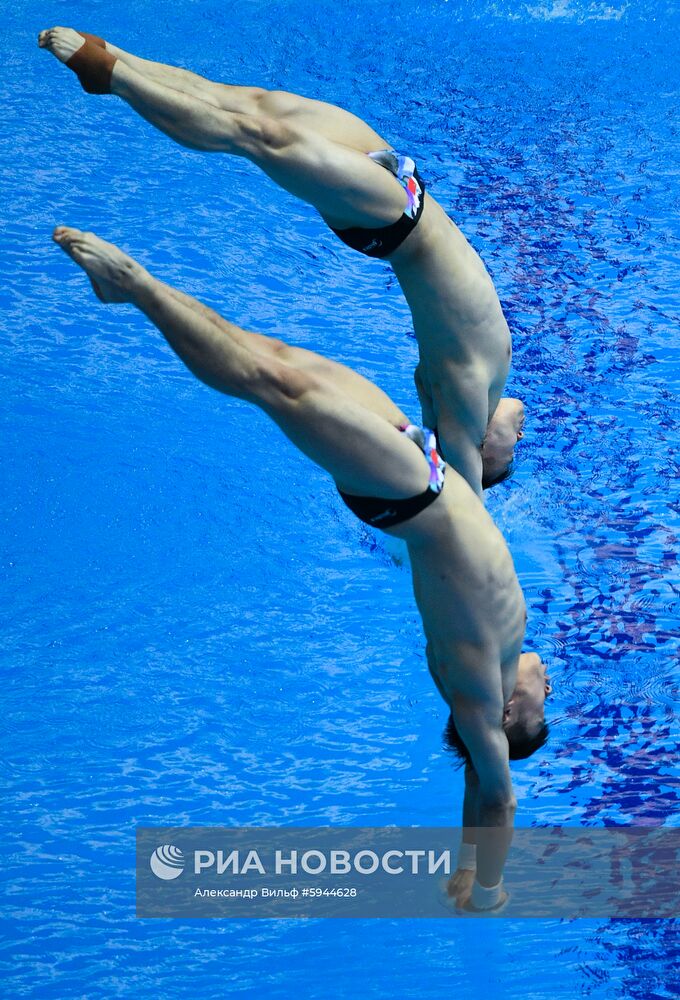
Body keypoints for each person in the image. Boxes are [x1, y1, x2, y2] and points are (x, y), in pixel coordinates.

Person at [50, 225, 551, 912]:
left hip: (410, 495)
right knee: (273, 357)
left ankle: (136, 288)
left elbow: (495, 793)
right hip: (424, 469)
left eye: (544, 702)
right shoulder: (500, 652)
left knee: (272, 385)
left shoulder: (476, 690)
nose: (548, 683)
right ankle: (132, 290)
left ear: (512, 714)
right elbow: (510, 418)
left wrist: (485, 884)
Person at [38, 27, 526, 495]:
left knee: (255, 136)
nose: (520, 443)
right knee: (243, 99)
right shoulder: (484, 382)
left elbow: (461, 506)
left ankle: (112, 76)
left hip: (394, 218)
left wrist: (466, 480)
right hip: (400, 179)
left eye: (508, 461)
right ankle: (120, 56)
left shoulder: (460, 400)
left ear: (481, 456)